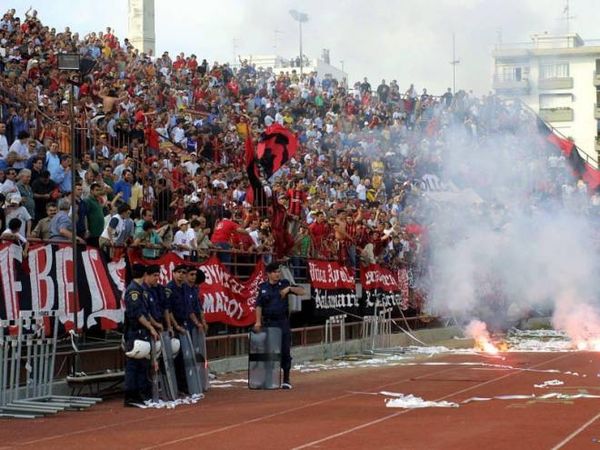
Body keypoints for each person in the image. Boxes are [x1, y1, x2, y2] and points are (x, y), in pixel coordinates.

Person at [253, 262, 305, 389]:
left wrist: (290, 289)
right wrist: (258, 321)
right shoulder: (263, 287)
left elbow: (302, 291)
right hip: (268, 322)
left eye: (278, 272)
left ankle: (286, 378)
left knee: (285, 350)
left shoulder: (284, 283)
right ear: (269, 274)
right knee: (269, 351)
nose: (278, 274)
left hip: (282, 322)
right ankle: (269, 378)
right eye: (275, 272)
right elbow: (258, 305)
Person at [123, 263, 159, 406]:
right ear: (144, 275)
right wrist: (151, 327)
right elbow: (138, 314)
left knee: (142, 364)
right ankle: (131, 395)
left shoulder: (140, 290)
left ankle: (140, 393)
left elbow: (145, 312)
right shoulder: (134, 291)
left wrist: (153, 324)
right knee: (134, 364)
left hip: (141, 331)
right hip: (135, 331)